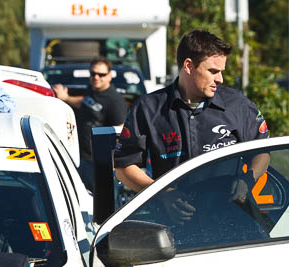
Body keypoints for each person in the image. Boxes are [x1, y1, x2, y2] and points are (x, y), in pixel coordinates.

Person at [114, 29, 270, 224]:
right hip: (172, 231)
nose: (220, 79)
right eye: (213, 71)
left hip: (232, 225)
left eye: (221, 72)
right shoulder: (147, 108)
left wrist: (247, 182)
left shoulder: (237, 105)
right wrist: (163, 194)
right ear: (188, 66)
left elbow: (263, 151)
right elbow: (124, 168)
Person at [53, 57, 128, 192]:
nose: (96, 77)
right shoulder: (92, 90)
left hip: (99, 163)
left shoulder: (114, 100)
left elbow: (121, 132)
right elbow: (85, 102)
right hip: (80, 157)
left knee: (99, 202)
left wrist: (112, 164)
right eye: (93, 74)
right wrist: (66, 98)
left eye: (101, 74)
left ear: (110, 76)